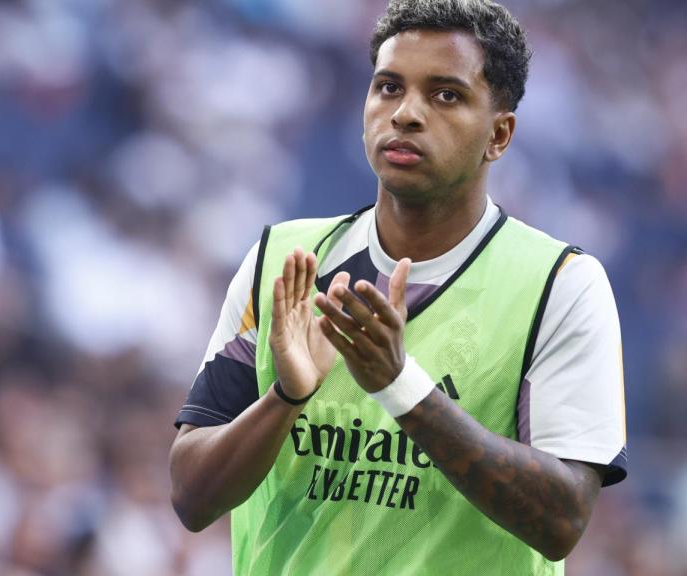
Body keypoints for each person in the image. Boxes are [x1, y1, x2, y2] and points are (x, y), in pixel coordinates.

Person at [168, 0, 627, 574]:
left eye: (446, 94)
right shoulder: (284, 261)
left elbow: (562, 522)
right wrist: (285, 398)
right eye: (388, 87)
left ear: (499, 134)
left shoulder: (560, 285)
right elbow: (190, 495)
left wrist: (400, 386)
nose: (406, 113)